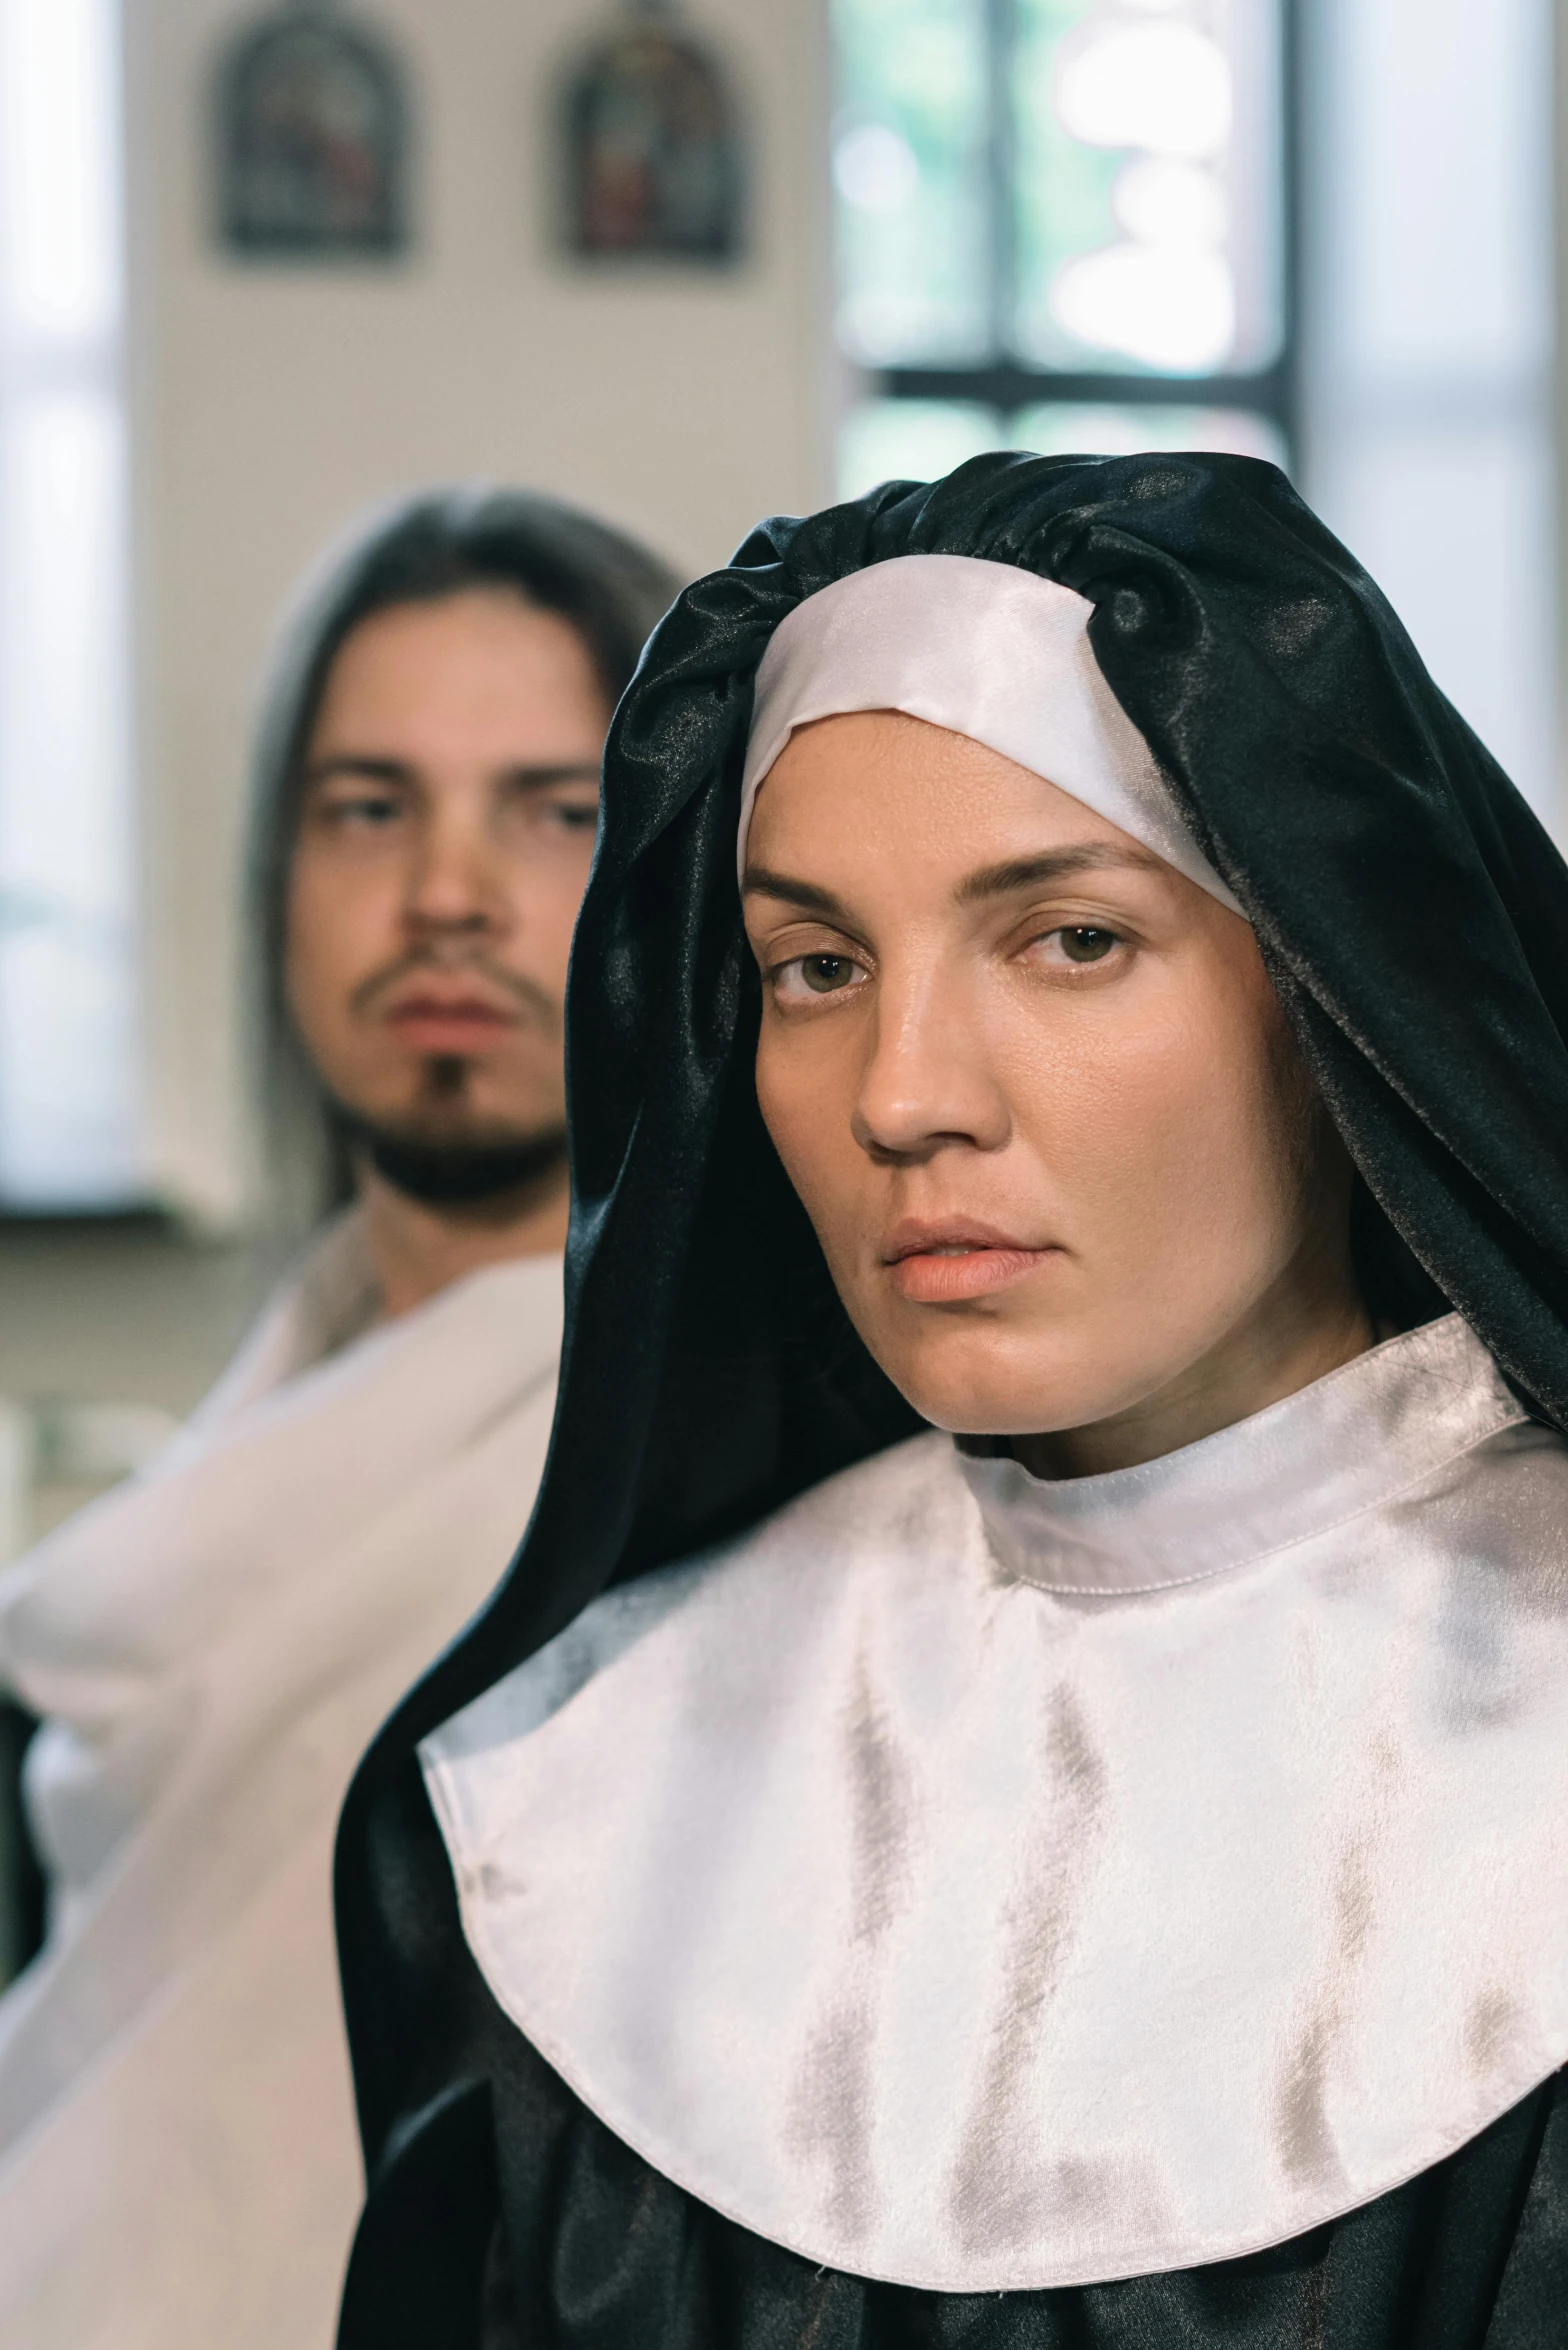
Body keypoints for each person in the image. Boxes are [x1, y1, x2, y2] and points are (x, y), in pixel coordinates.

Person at [333, 453, 1568, 2348]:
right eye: (815, 966)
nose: (903, 1090)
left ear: (1335, 990)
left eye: (1072, 936)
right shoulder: (564, 1797)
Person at [0, 487, 679, 2350]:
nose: (446, 890)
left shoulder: (681, 1481)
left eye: (554, 809)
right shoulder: (232, 1461)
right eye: (368, 808)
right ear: (276, 879)